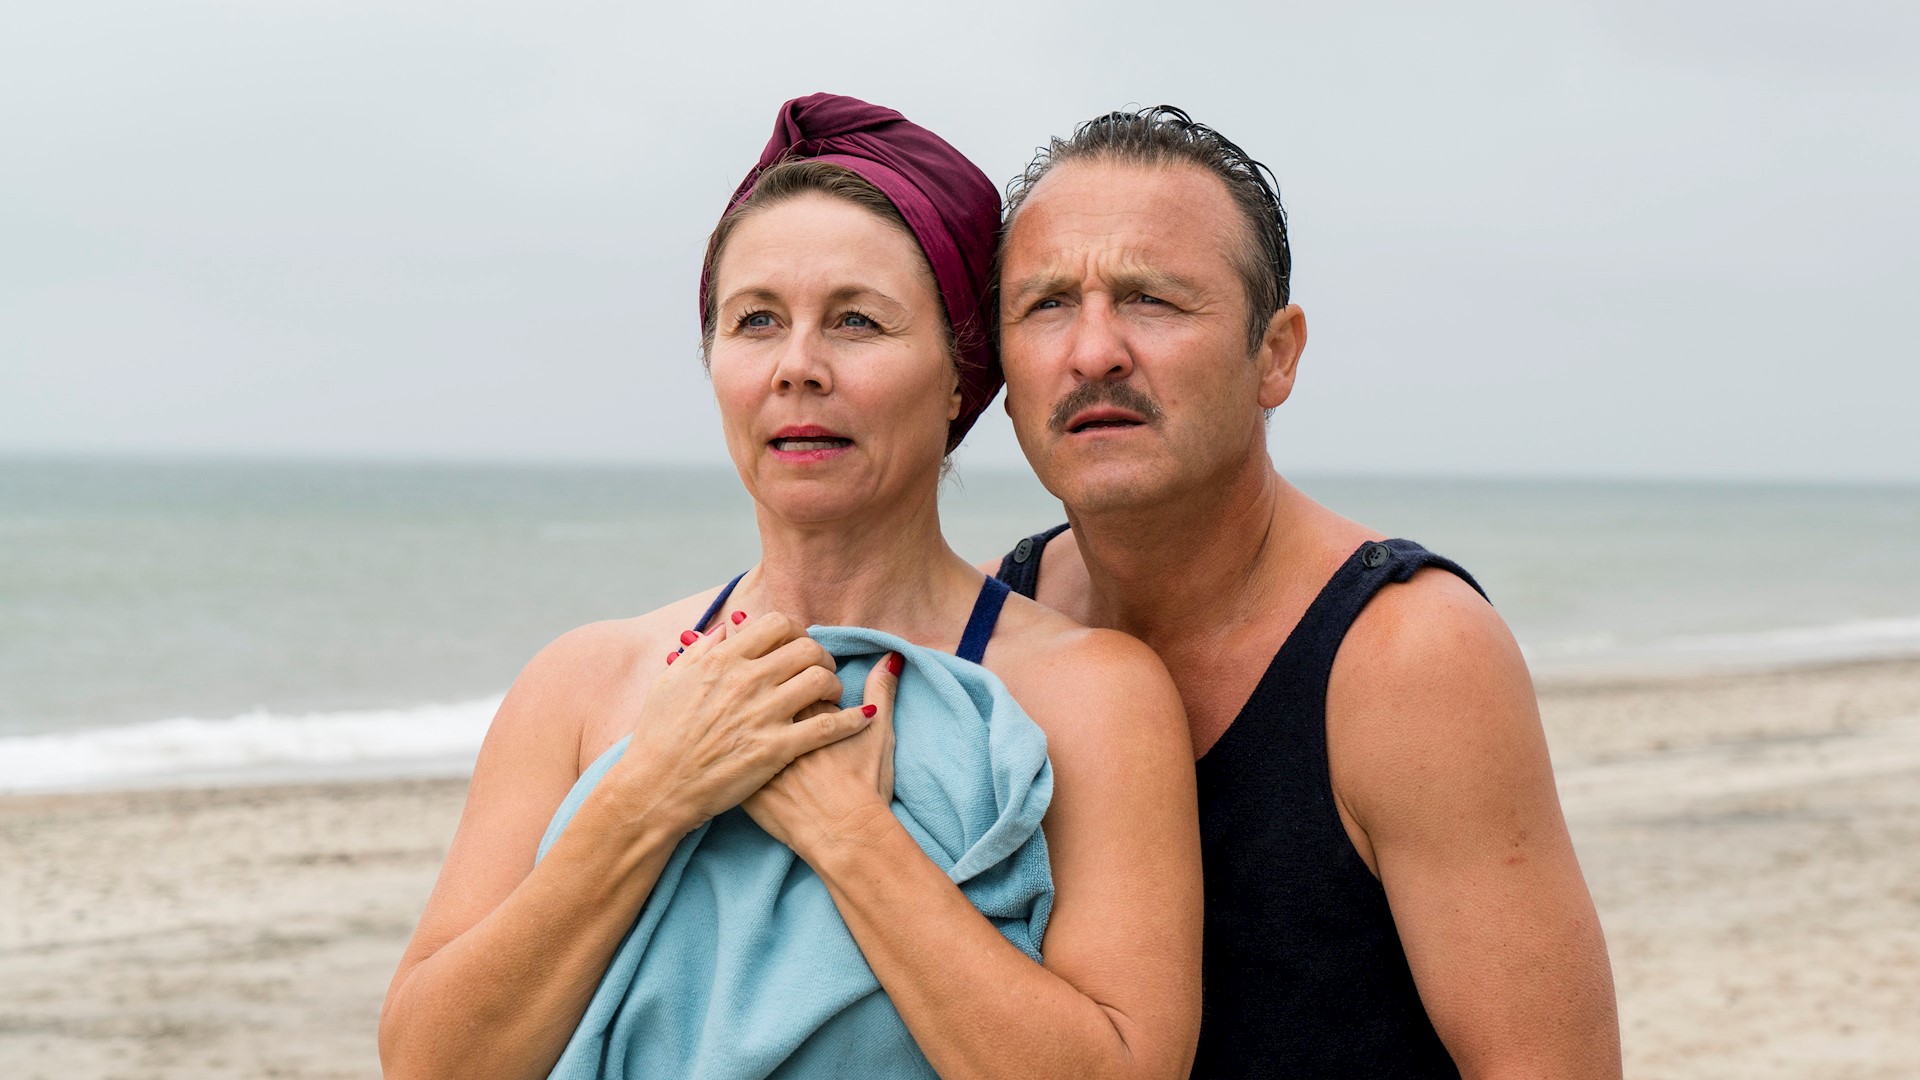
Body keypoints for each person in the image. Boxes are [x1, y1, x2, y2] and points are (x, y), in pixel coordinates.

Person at [377, 94, 1202, 1080]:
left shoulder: (1092, 695)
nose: (797, 368)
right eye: (756, 320)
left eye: (857, 321)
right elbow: (431, 1062)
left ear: (957, 376)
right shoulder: (583, 684)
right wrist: (647, 797)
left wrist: (848, 832)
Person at [988, 107, 1622, 1078]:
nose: (1094, 351)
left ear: (1275, 355)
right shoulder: (999, 625)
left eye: (1151, 299)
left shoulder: (1409, 655)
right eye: (1046, 305)